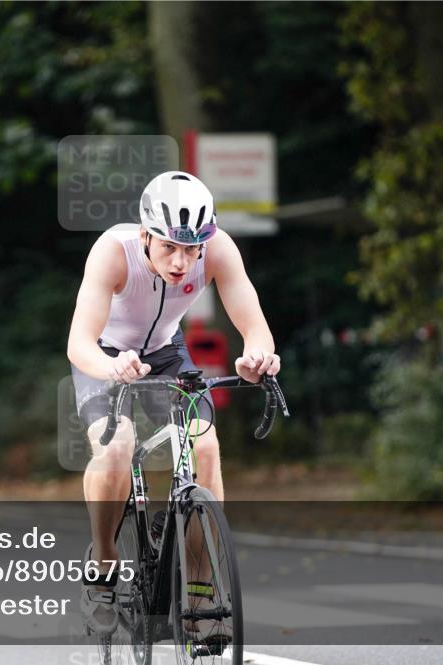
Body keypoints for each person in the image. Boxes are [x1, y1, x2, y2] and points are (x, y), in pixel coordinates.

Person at [67, 170, 280, 635]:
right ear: (146, 235)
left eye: (191, 249)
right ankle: (103, 567)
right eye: (169, 247)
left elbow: (254, 322)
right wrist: (111, 369)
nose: (182, 262)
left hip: (165, 351)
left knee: (204, 446)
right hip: (104, 355)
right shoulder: (113, 252)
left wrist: (258, 355)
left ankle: (201, 592)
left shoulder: (219, 249)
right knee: (118, 447)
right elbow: (78, 343)